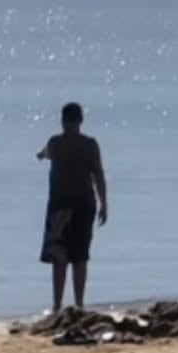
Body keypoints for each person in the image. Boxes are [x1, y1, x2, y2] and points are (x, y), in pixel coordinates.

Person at [37, 102, 107, 312]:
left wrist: (39, 155)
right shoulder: (90, 144)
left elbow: (43, 153)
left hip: (60, 205)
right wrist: (104, 203)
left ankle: (57, 305)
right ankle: (79, 304)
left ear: (62, 120)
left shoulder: (56, 143)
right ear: (80, 121)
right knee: (80, 256)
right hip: (84, 205)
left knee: (59, 258)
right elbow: (98, 175)